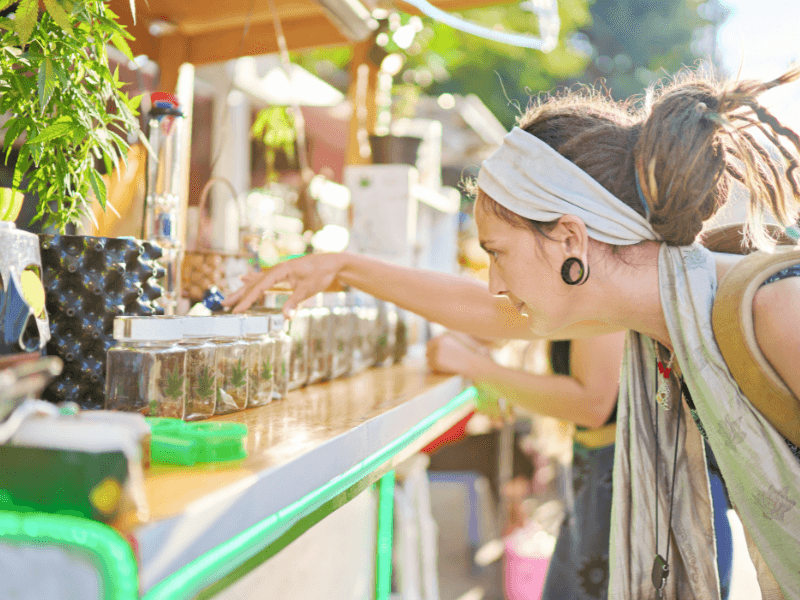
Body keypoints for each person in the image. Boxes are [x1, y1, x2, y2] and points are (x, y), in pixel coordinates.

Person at [224, 66, 800, 597]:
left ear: (571, 239)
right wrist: (344, 267)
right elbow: (490, 311)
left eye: (497, 254)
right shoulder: (659, 306)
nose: (496, 283)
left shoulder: (775, 310)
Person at [427, 333, 733, 600]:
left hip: (653, 501)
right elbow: (496, 312)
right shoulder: (576, 289)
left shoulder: (602, 284)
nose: (496, 282)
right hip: (608, 492)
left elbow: (591, 403)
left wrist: (480, 369)